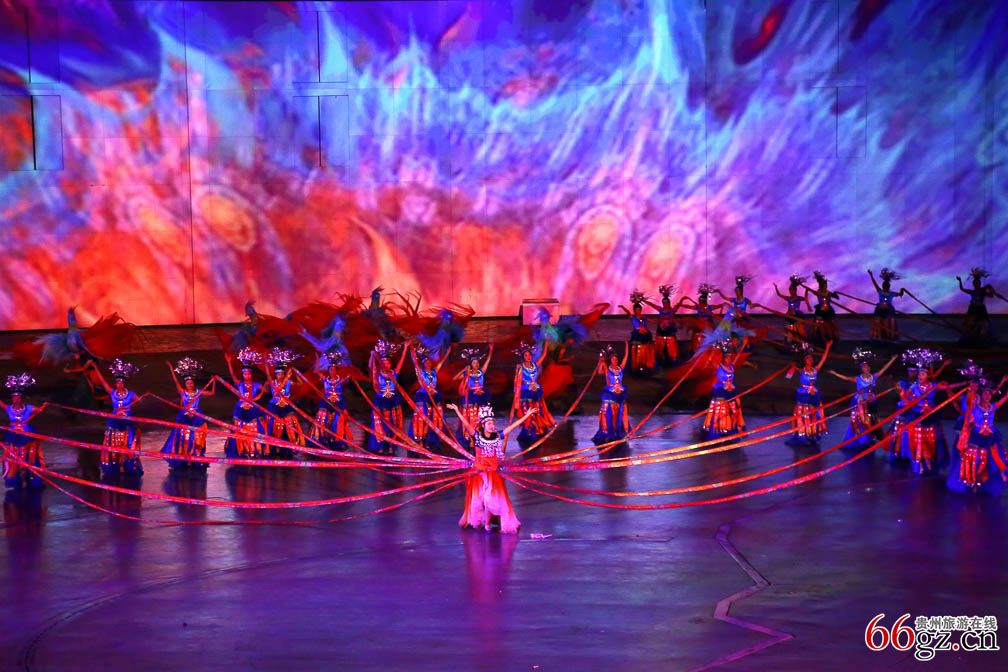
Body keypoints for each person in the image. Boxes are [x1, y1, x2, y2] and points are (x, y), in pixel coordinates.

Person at [448, 403, 535, 533]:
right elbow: (466, 424)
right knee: (480, 500)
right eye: (489, 424)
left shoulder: (497, 436)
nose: (492, 426)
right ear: (483, 425)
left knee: (490, 499)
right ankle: (483, 521)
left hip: (493, 473)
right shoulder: (477, 436)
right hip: (479, 473)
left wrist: (526, 416)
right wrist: (457, 411)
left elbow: (512, 427)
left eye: (493, 424)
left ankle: (488, 523)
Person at [828, 349, 897, 451]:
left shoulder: (874, 377)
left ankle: (868, 439)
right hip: (860, 401)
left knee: (871, 419)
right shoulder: (858, 378)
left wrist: (892, 359)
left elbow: (884, 369)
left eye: (867, 366)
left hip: (871, 400)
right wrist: (835, 373)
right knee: (859, 420)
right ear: (862, 369)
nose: (866, 368)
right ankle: (858, 440)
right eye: (864, 367)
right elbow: (845, 378)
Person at [948, 381, 1008, 495]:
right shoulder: (974, 407)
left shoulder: (993, 406)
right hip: (976, 436)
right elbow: (969, 400)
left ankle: (996, 477)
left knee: (995, 456)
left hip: (990, 436)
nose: (987, 396)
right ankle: (972, 482)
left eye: (989, 394)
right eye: (985, 393)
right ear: (980, 395)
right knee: (974, 458)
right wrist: (972, 390)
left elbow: (1004, 398)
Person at [86, 358, 144, 476]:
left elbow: (139, 400)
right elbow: (102, 381)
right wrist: (95, 367)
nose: (119, 385)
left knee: (129, 443)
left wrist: (135, 402)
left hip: (128, 421)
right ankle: (116, 465)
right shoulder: (112, 393)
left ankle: (130, 465)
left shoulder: (131, 394)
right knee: (113, 443)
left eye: (121, 383)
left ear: (124, 383)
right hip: (114, 421)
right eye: (117, 383)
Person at [899, 348, 951, 474]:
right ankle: (918, 461)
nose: (919, 376)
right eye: (919, 374)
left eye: (922, 374)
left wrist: (965, 385)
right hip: (917, 415)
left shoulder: (933, 386)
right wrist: (903, 397)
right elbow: (907, 399)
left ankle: (928, 459)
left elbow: (947, 387)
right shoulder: (914, 387)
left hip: (930, 415)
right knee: (918, 439)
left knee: (931, 438)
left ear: (928, 376)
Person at [161, 358, 215, 471]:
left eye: (191, 382)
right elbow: (176, 381)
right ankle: (183, 457)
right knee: (183, 435)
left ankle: (196, 455)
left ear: (193, 383)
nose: (189, 384)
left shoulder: (198, 392)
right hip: (184, 416)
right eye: (187, 383)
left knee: (197, 434)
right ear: (185, 384)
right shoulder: (183, 392)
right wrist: (171, 368)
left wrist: (213, 381)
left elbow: (212, 393)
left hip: (196, 416)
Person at [2, 373, 47, 489]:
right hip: (14, 438)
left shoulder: (29, 408)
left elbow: (40, 410)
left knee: (30, 456)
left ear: (21, 398)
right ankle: (15, 477)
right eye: (14, 397)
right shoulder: (8, 409)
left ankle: (32, 476)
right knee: (13, 457)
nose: (16, 399)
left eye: (18, 397)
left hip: (27, 438)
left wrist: (43, 406)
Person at [302, 350, 353, 451]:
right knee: (322, 419)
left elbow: (349, 373)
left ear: (336, 370)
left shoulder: (341, 379)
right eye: (330, 370)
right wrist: (317, 359)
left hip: (338, 403)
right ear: (328, 370)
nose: (332, 371)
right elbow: (317, 371)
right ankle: (321, 440)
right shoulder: (325, 379)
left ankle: (337, 441)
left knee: (338, 420)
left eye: (334, 370)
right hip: (326, 403)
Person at [785, 341, 833, 447]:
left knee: (815, 414)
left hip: (814, 394)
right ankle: (803, 435)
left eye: (812, 359)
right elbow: (788, 376)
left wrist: (827, 348)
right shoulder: (801, 370)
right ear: (805, 361)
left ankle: (813, 434)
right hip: (804, 394)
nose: (811, 360)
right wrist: (792, 367)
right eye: (809, 359)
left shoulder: (815, 370)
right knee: (804, 414)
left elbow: (823, 359)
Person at [223, 348, 269, 459]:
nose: (246, 376)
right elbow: (232, 375)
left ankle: (260, 449)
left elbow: (266, 391)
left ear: (251, 374)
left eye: (248, 374)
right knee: (237, 427)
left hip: (253, 408)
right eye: (244, 374)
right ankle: (239, 450)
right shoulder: (239, 383)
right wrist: (229, 362)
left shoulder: (256, 384)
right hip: (241, 408)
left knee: (259, 426)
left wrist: (266, 385)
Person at [510, 342, 556, 445]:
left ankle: (538, 429)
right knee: (527, 410)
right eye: (526, 355)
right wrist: (517, 395)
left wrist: (546, 345)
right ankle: (529, 429)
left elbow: (543, 356)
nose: (528, 357)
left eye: (529, 355)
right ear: (523, 357)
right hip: (526, 391)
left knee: (538, 410)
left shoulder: (535, 365)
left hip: (535, 390)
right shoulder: (520, 367)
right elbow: (517, 382)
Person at [368, 340, 408, 455]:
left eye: (388, 363)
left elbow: (401, 362)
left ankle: (391, 445)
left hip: (393, 401)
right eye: (384, 363)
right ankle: (380, 445)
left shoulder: (394, 373)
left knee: (393, 424)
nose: (386, 365)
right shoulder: (377, 374)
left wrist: (405, 348)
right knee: (380, 424)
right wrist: (372, 355)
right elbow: (370, 366)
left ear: (390, 364)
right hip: (381, 400)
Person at [701, 339, 746, 440]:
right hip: (721, 391)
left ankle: (731, 431)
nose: (729, 360)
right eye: (727, 358)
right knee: (720, 410)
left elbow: (737, 356)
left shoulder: (731, 366)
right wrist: (713, 348)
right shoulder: (718, 367)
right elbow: (710, 360)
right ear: (723, 359)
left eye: (730, 358)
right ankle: (717, 431)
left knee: (734, 410)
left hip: (731, 391)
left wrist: (744, 344)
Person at [408, 343, 450, 451]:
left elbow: (441, 362)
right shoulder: (420, 372)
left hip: (435, 395)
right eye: (426, 362)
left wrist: (448, 352)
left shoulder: (434, 372)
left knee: (435, 417)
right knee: (423, 417)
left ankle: (432, 440)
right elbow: (415, 363)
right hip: (423, 396)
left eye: (429, 362)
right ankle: (421, 439)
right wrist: (412, 352)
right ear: (423, 364)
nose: (428, 364)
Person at [264, 347, 304, 455]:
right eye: (278, 374)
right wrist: (266, 364)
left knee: (291, 421)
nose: (280, 376)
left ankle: (291, 445)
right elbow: (274, 390)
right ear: (276, 374)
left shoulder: (288, 382)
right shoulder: (272, 382)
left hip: (286, 405)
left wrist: (296, 374)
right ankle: (273, 445)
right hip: (274, 405)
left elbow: (300, 384)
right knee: (273, 422)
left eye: (282, 374)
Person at [454, 345, 494, 443]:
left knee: (480, 415)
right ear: (471, 364)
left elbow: (487, 362)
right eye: (474, 362)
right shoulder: (467, 374)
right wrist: (464, 370)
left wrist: (491, 351)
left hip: (481, 395)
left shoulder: (481, 372)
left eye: (477, 362)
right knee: (471, 415)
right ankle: (470, 436)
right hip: (471, 395)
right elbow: (455, 378)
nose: (476, 364)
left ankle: (480, 433)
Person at [593, 342, 630, 445]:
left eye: (616, 359)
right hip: (610, 393)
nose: (615, 361)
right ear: (610, 360)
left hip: (620, 393)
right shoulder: (607, 368)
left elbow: (626, 357)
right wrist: (601, 361)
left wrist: (627, 345)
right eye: (613, 359)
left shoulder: (620, 368)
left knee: (621, 411)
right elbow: (599, 371)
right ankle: (607, 432)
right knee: (609, 412)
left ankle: (621, 430)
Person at [957, 268, 1005, 344]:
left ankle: (983, 337)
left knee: (984, 323)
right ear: (973, 284)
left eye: (977, 283)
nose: (976, 285)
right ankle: (971, 337)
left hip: (980, 309)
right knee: (969, 323)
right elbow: (962, 289)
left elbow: (991, 295)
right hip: (973, 308)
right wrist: (960, 281)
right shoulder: (972, 291)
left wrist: (991, 291)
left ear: (979, 284)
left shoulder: (982, 291)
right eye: (975, 283)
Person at [619, 291, 656, 374]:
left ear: (641, 310)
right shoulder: (633, 317)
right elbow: (628, 312)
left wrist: (659, 321)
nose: (638, 311)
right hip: (637, 334)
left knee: (647, 347)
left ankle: (646, 363)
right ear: (634, 310)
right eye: (636, 310)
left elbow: (652, 321)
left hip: (645, 334)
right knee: (636, 348)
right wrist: (622, 307)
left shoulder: (644, 317)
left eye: (639, 309)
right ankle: (636, 364)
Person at [644, 284, 679, 366]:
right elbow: (652, 305)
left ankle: (671, 359)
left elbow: (679, 305)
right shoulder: (660, 309)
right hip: (661, 330)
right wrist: (644, 301)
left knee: (670, 345)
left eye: (666, 303)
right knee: (661, 344)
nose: (665, 304)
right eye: (663, 303)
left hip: (669, 331)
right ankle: (661, 358)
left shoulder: (672, 310)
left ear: (669, 303)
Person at [774, 275, 811, 345]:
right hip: (789, 315)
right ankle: (788, 341)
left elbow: (806, 298)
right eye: (790, 290)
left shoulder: (799, 298)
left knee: (799, 328)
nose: (790, 291)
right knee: (788, 328)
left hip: (797, 315)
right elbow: (779, 294)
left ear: (795, 290)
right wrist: (776, 287)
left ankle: (801, 341)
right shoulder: (788, 298)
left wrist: (806, 290)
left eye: (792, 290)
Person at [807, 271, 840, 344]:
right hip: (820, 310)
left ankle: (836, 336)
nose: (826, 287)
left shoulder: (829, 293)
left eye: (826, 285)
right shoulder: (818, 293)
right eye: (824, 285)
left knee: (833, 323)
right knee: (817, 323)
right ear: (821, 286)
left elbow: (837, 298)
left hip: (828, 310)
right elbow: (810, 291)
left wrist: (835, 294)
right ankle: (815, 336)